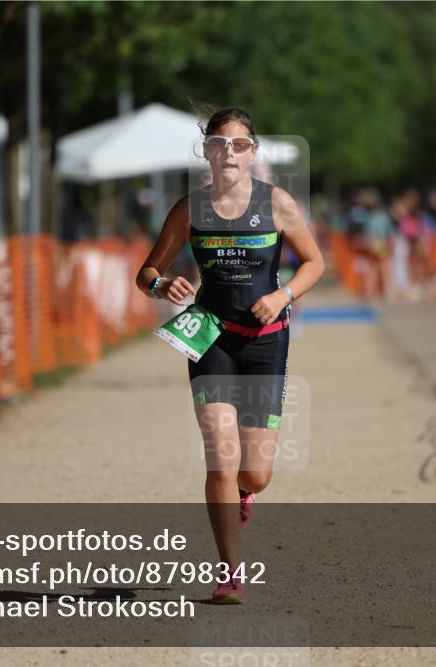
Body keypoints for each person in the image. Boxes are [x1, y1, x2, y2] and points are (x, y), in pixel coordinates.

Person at [136, 107, 324, 604]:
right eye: (219, 144)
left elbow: (314, 261)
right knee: (220, 456)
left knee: (254, 471)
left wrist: (284, 296)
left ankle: (247, 491)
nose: (229, 154)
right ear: (207, 151)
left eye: (239, 145)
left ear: (253, 151)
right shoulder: (189, 209)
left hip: (266, 339)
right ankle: (230, 573)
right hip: (211, 338)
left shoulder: (276, 203)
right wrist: (162, 284)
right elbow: (147, 272)